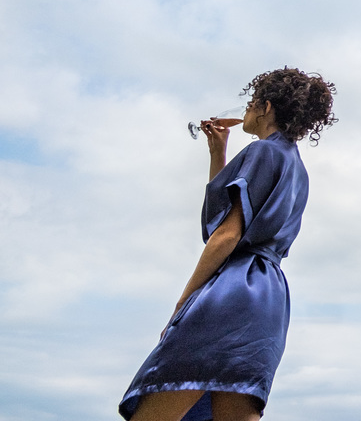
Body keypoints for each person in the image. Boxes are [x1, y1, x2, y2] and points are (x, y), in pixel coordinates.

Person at [119, 67, 337, 421]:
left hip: (234, 287)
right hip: (269, 295)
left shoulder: (261, 152)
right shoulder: (296, 166)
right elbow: (238, 212)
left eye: (251, 103)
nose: (246, 110)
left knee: (158, 406)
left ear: (265, 106)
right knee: (235, 410)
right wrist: (217, 154)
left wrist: (185, 299)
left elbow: (226, 233)